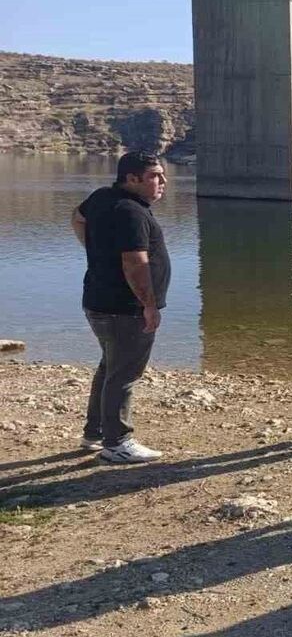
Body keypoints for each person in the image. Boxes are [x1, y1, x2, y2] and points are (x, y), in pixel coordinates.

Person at [71, 150, 171, 464]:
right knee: (124, 373)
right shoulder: (131, 212)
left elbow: (77, 216)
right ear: (131, 178)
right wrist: (149, 306)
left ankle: (96, 432)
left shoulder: (102, 197)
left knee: (110, 367)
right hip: (125, 308)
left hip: (98, 302)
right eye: (154, 176)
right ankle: (117, 442)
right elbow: (134, 264)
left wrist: (95, 248)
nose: (163, 182)